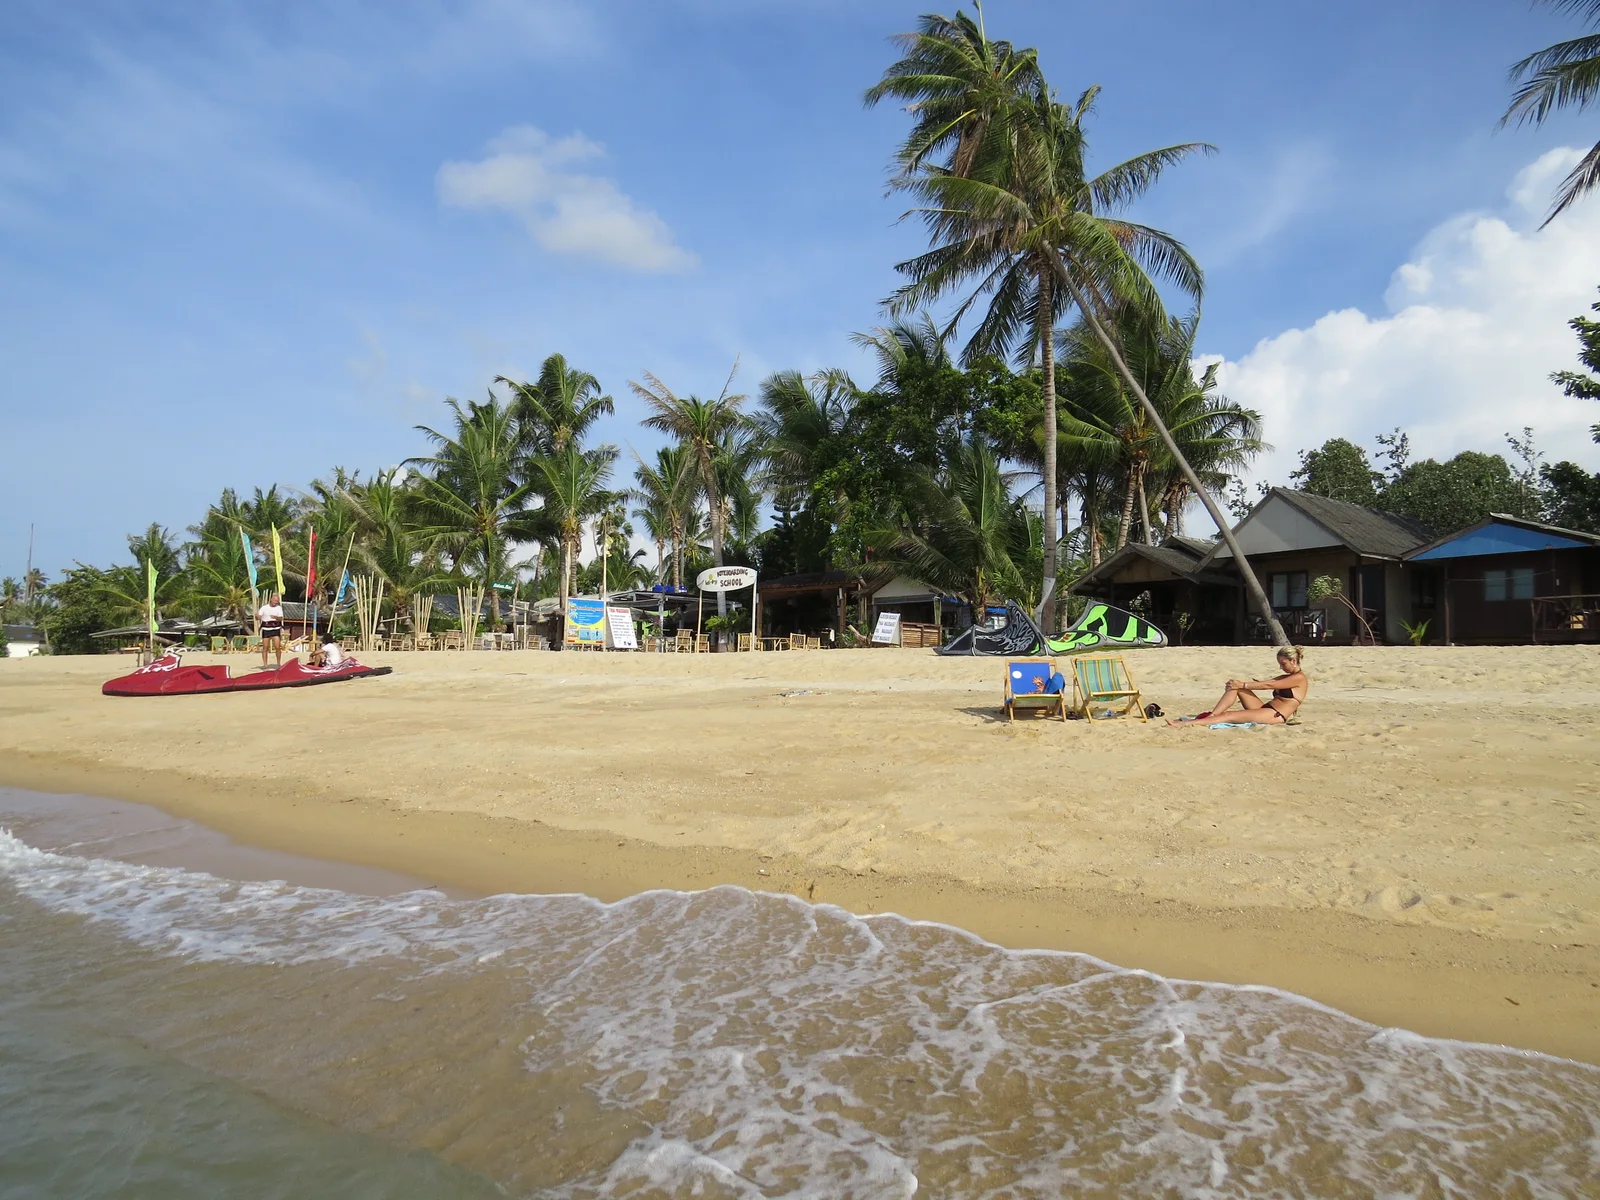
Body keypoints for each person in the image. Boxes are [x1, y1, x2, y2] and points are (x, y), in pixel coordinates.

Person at [1169, 646, 1308, 727]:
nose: (1281, 667)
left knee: (1229, 715)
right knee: (1236, 688)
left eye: (1283, 664)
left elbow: (1269, 685)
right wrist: (1239, 684)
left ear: (1294, 661)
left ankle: (1187, 724)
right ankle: (1212, 715)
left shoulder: (1299, 678)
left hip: (1275, 715)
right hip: (1266, 709)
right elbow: (1267, 681)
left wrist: (1244, 684)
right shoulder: (1287, 677)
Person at [258, 592, 285, 668]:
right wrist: (257, 617)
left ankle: (278, 663)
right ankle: (265, 664)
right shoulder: (264, 608)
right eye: (275, 600)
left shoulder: (279, 608)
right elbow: (258, 616)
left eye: (277, 601)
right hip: (266, 629)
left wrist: (275, 617)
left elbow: (281, 618)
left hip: (275, 628)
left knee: (277, 646)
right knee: (265, 647)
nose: (275, 602)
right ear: (271, 600)